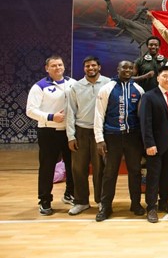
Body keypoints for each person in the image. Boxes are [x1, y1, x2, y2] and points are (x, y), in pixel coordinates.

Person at [94, 60, 146, 221]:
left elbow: (142, 116)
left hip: (133, 137)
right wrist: (99, 139)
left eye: (130, 68)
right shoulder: (107, 88)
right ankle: (106, 207)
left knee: (135, 172)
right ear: (118, 69)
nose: (127, 70)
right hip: (112, 136)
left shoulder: (139, 89)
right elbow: (99, 114)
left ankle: (136, 204)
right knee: (109, 173)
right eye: (124, 67)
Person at [26, 55, 77, 215]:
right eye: (53, 65)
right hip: (48, 132)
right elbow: (30, 110)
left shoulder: (73, 83)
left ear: (64, 66)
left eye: (60, 65)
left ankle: (70, 194)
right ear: (47, 68)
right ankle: (45, 200)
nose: (57, 68)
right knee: (47, 167)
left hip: (69, 132)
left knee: (72, 166)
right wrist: (50, 117)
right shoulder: (39, 87)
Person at [65, 56, 110, 215]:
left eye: (93, 65)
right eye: (87, 66)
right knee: (78, 168)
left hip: (100, 132)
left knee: (100, 169)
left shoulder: (108, 84)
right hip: (81, 131)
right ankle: (81, 201)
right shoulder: (76, 87)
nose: (90, 68)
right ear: (84, 69)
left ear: (99, 67)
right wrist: (71, 136)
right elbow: (70, 112)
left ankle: (101, 201)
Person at [139, 65, 168, 223]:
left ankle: (164, 201)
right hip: (155, 144)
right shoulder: (149, 96)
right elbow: (145, 122)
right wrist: (149, 144)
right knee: (154, 176)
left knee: (167, 174)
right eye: (164, 76)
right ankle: (151, 207)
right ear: (158, 78)